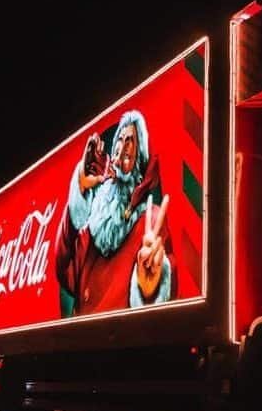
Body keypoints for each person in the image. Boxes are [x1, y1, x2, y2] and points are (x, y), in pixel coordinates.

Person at [55, 110, 176, 317]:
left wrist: (150, 291)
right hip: (82, 338)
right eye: (120, 138)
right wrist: (81, 190)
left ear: (140, 165)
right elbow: (65, 271)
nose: (124, 144)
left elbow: (165, 275)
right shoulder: (95, 219)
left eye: (131, 140)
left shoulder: (152, 220)